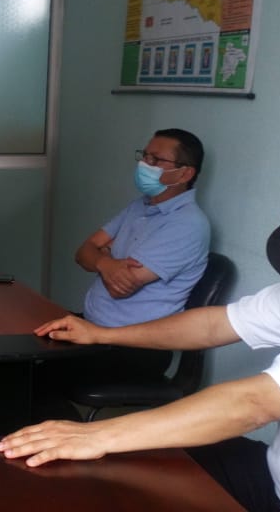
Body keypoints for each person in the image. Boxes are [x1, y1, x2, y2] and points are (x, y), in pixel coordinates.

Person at [0, 162, 280, 512]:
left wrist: (95, 434)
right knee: (131, 463)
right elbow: (212, 325)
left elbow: (254, 404)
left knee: (112, 449)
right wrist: (102, 333)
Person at [39, 129, 210, 385]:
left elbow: (121, 287)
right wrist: (105, 261)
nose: (145, 164)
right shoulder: (139, 206)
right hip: (93, 328)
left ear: (185, 173)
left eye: (156, 159)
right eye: (145, 156)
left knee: (33, 375)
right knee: (24, 347)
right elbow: (83, 252)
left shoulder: (187, 224)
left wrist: (104, 252)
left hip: (133, 347)